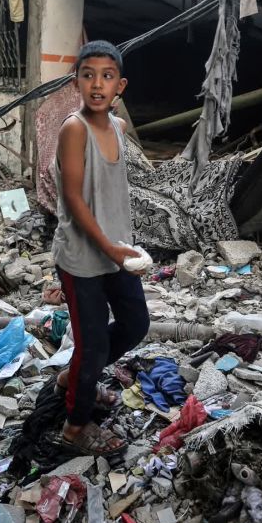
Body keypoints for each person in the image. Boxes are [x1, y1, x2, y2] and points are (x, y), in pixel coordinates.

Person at [51, 40, 150, 456]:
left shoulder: (119, 129)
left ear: (120, 86)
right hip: (82, 259)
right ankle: (75, 427)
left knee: (135, 324)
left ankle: (75, 378)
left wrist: (117, 249)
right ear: (76, 82)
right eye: (88, 75)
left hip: (115, 252)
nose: (97, 84)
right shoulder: (74, 129)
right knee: (90, 347)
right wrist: (108, 248)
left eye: (107, 77)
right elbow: (74, 198)